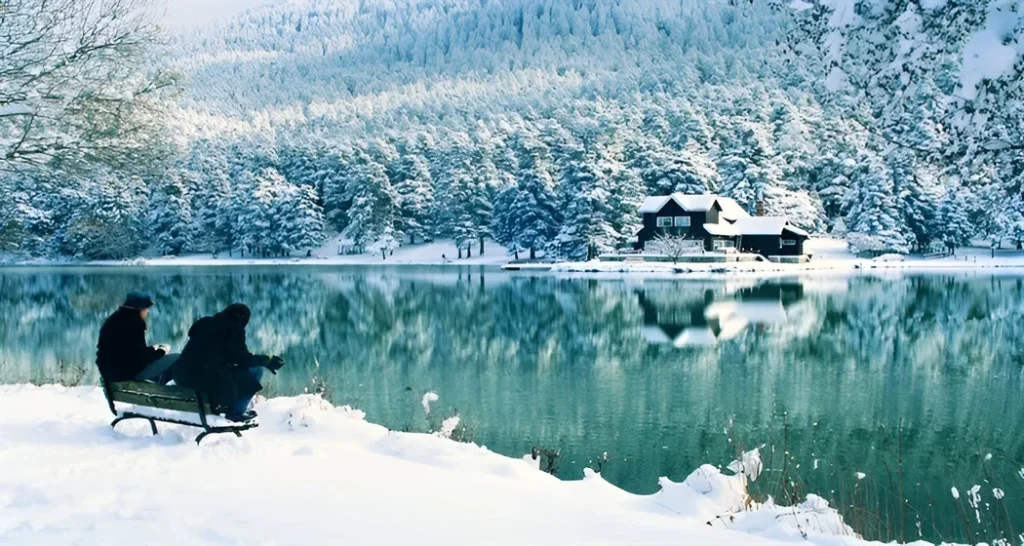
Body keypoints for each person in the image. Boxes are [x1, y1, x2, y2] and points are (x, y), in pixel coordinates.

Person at [172, 303, 284, 422]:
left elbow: (215, 354)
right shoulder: (234, 328)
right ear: (243, 319)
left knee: (226, 371)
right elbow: (243, 360)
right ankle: (236, 412)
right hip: (202, 381)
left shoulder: (205, 323)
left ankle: (229, 406)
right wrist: (267, 360)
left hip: (181, 377)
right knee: (256, 371)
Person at [96, 292, 177, 384]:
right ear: (139, 309)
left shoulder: (113, 321)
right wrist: (161, 352)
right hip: (128, 375)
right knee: (177, 358)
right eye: (146, 308)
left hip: (112, 376)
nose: (147, 311)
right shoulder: (134, 324)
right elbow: (140, 359)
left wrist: (152, 349)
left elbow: (128, 352)